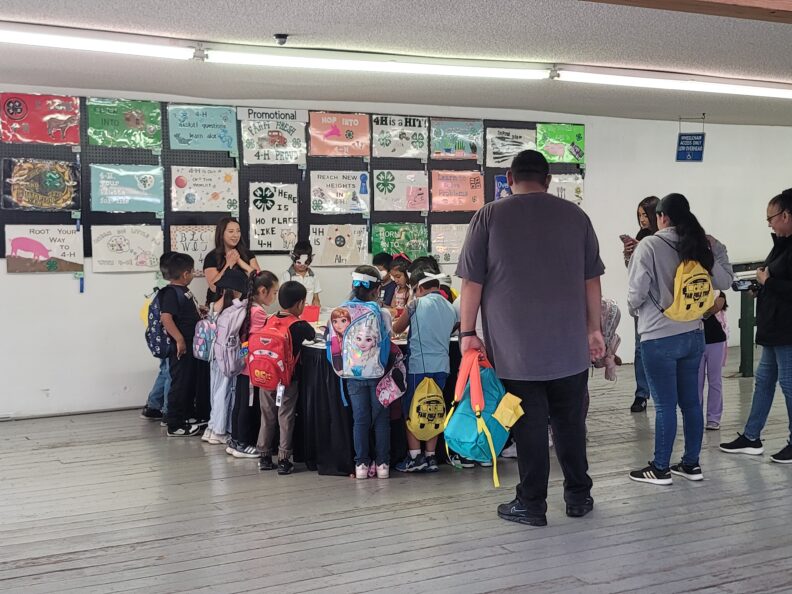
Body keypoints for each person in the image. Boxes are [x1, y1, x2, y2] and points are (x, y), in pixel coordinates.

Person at [456, 150, 605, 527]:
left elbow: (472, 282)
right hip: (569, 349)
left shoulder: (488, 216)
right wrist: (594, 330)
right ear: (548, 179)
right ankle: (578, 496)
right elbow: (592, 281)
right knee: (572, 425)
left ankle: (532, 503)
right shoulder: (576, 217)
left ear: (509, 177)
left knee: (530, 427)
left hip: (516, 353)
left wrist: (468, 333)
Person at [627, 193, 733, 485]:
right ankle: (691, 464)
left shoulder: (649, 244)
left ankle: (660, 468)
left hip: (658, 337)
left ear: (662, 217)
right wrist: (718, 247)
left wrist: (633, 309)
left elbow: (636, 292)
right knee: (691, 403)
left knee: (664, 405)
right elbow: (724, 282)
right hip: (693, 334)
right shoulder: (700, 244)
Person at [721, 188, 792, 463]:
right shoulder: (781, 245)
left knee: (788, 385)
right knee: (763, 383)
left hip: (787, 330)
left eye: (771, 218)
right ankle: (751, 436)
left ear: (786, 215)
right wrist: (761, 287)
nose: (769, 224)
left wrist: (768, 283)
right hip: (772, 329)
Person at [392, 270, 459, 473]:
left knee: (413, 410)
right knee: (434, 409)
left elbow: (397, 328)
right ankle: (431, 457)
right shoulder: (450, 307)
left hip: (418, 367)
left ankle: (415, 457)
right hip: (442, 367)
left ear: (419, 289)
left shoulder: (416, 304)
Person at [256, 281, 316, 475]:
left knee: (267, 416)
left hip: (265, 377)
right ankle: (283, 459)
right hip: (288, 381)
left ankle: (264, 456)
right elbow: (313, 335)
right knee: (286, 416)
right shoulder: (299, 325)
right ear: (300, 304)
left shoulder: (269, 319)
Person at [345, 265, 393, 479]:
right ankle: (383, 465)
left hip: (352, 374)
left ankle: (361, 466)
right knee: (381, 419)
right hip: (377, 373)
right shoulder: (381, 312)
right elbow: (388, 343)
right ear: (377, 289)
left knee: (360, 419)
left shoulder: (342, 311)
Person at [226, 271, 279, 459]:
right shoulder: (258, 313)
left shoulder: (245, 306)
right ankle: (244, 443)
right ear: (263, 291)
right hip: (252, 368)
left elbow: (245, 341)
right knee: (248, 405)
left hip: (242, 364)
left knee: (239, 403)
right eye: (274, 292)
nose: (275, 297)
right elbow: (256, 340)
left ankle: (235, 440)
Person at [160, 253, 205, 437]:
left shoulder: (183, 291)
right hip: (181, 346)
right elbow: (166, 318)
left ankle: (187, 415)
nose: (194, 274)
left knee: (189, 381)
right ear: (185, 274)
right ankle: (174, 424)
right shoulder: (171, 292)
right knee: (179, 383)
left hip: (190, 343)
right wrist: (179, 340)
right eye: (193, 271)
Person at [202, 268, 248, 445]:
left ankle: (212, 427)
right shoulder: (237, 309)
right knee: (226, 392)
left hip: (214, 355)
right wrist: (244, 355)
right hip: (229, 357)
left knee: (215, 391)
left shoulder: (215, 305)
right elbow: (241, 338)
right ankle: (220, 431)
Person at [622, 196, 659, 413]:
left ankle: (660, 391)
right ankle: (641, 394)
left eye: (645, 215)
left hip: (660, 301)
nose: (642, 220)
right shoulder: (641, 236)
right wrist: (628, 255)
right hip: (641, 300)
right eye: (639, 215)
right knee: (639, 347)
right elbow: (633, 270)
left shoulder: (664, 238)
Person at [140, 252, 176, 423]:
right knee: (170, 374)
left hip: (159, 341)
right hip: (167, 341)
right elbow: (167, 318)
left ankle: (153, 406)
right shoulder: (168, 291)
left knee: (164, 371)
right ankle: (168, 411)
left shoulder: (159, 289)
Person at [203, 217, 260, 304]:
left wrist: (239, 261)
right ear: (221, 234)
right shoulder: (211, 257)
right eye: (231, 231)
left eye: (238, 231)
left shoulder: (248, 254)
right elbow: (213, 287)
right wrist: (228, 264)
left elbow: (260, 281)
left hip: (244, 306)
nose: (236, 235)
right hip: (218, 307)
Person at [699, 292, 728, 431]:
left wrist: (700, 310)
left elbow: (716, 307)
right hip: (696, 341)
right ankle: (695, 416)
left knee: (715, 380)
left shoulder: (719, 293)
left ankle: (714, 418)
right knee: (696, 382)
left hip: (716, 340)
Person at [281, 240, 322, 307]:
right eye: (299, 262)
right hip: (292, 312)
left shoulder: (313, 276)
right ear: (293, 258)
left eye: (306, 262)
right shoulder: (286, 276)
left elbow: (316, 298)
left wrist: (316, 308)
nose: (302, 265)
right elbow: (283, 298)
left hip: (308, 312)